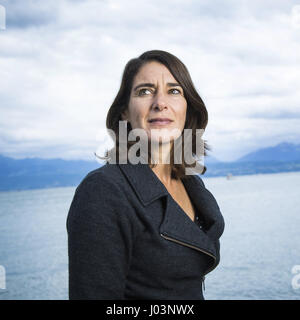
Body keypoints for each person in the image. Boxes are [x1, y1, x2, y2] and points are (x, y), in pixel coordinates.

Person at [66, 50, 225, 300]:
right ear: (124, 112)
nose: (160, 102)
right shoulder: (103, 191)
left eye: (174, 91)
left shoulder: (192, 184)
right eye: (145, 91)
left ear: (187, 108)